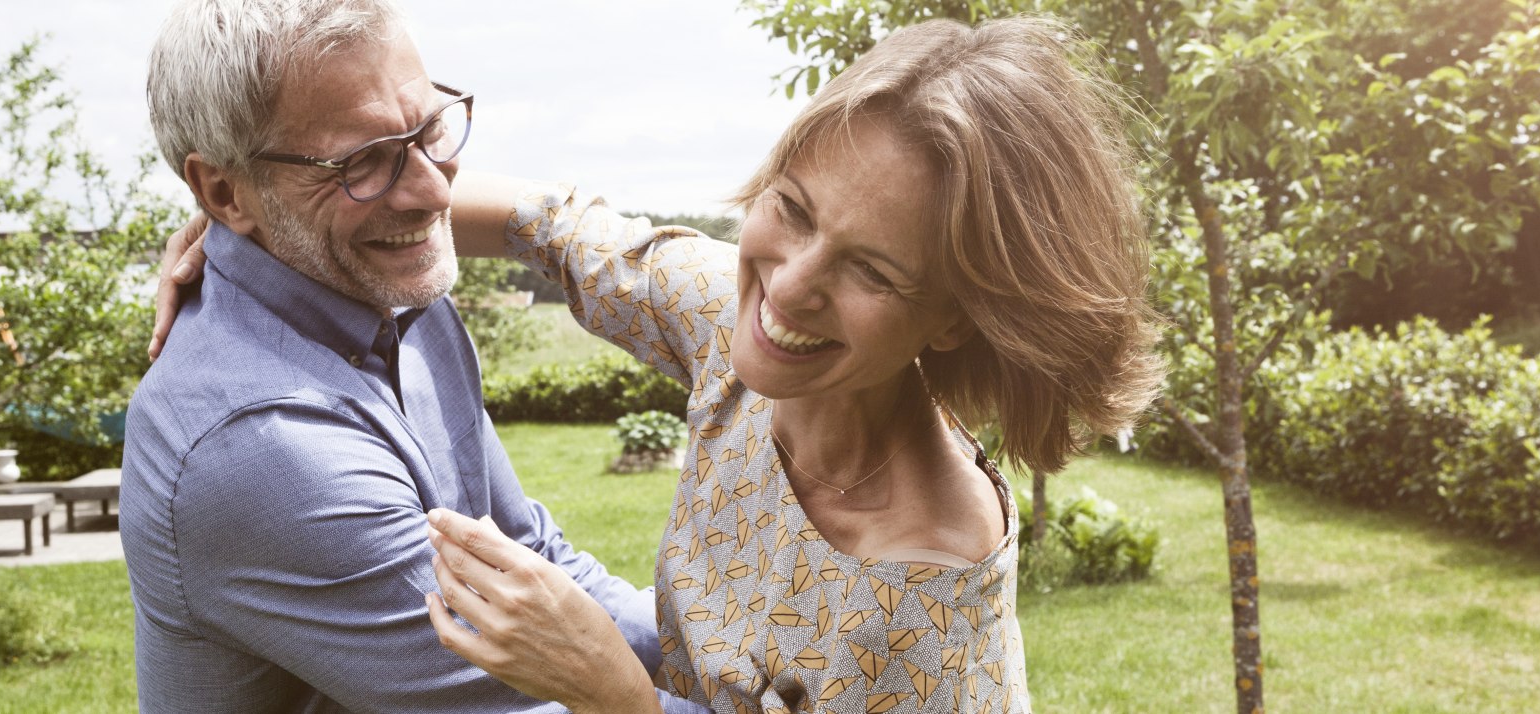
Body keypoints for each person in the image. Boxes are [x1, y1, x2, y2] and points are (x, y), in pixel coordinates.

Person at [152, 13, 1162, 714]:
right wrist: (258, 229)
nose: (789, 289)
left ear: (953, 317)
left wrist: (619, 697)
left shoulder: (921, 594)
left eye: (873, 271)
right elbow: (555, 225)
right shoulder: (729, 325)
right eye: (793, 211)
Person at [125, 1, 702, 712]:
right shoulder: (261, 445)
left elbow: (533, 566)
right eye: (361, 161)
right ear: (221, 190)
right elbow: (540, 695)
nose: (434, 192)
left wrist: (751, 653)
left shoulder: (389, 292)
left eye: (429, 128)